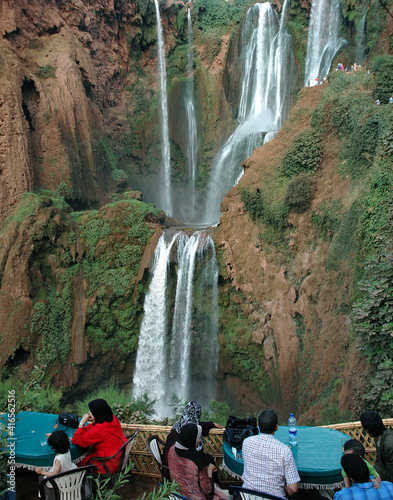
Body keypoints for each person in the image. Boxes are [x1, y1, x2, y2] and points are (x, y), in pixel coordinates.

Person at [242, 409, 300, 499]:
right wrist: (285, 489)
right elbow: (293, 489)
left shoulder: (246, 443)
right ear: (276, 427)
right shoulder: (284, 451)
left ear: (258, 424)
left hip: (247, 497)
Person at [162, 401, 223, 478]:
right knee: (208, 460)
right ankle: (210, 485)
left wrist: (212, 424)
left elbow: (197, 425)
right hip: (179, 466)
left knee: (207, 458)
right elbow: (196, 453)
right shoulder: (190, 431)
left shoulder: (179, 425)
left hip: (167, 463)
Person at [167, 423, 227, 500]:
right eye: (199, 438)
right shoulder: (197, 459)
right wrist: (209, 471)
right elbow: (207, 490)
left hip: (178, 494)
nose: (200, 440)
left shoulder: (172, 450)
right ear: (192, 439)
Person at [72, 398, 126, 474]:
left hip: (107, 463)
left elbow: (76, 440)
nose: (89, 412)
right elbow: (94, 426)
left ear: (97, 413)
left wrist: (82, 423)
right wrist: (85, 428)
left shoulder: (98, 430)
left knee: (77, 464)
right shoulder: (112, 418)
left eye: (91, 411)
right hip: (120, 456)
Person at [35, 430, 77, 499]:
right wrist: (53, 437)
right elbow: (61, 440)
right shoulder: (67, 450)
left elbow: (55, 474)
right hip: (68, 472)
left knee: (44, 480)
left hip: (61, 480)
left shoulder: (59, 459)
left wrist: (42, 472)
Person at [361, 411, 393, 482]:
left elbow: (391, 474)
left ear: (367, 431)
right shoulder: (379, 437)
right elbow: (379, 463)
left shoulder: (389, 445)